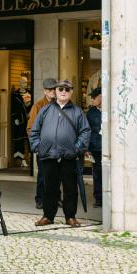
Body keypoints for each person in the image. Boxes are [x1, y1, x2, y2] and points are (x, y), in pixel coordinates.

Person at [30, 79, 90, 228]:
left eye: (67, 89)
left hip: (68, 156)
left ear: (71, 92)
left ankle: (70, 217)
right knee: (49, 188)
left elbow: (85, 131)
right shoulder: (45, 110)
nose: (63, 92)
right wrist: (38, 147)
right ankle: (48, 216)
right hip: (49, 155)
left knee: (70, 188)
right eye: (61, 89)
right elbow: (34, 130)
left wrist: (77, 148)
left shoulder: (77, 111)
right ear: (55, 91)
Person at [26, 78, 58, 206]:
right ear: (45, 91)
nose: (52, 92)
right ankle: (40, 199)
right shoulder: (38, 106)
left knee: (56, 175)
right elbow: (30, 128)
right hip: (43, 147)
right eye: (50, 90)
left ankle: (56, 198)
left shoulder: (60, 105)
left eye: (54, 89)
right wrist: (37, 146)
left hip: (58, 146)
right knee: (43, 175)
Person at [86, 87, 102, 208]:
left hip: (111, 149)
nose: (91, 100)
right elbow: (86, 131)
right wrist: (87, 148)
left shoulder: (112, 110)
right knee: (97, 174)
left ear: (101, 97)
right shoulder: (90, 112)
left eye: (94, 97)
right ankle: (99, 198)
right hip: (95, 148)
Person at [10, 76, 31, 166]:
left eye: (26, 82)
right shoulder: (15, 95)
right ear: (20, 83)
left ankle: (30, 158)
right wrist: (15, 118)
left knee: (29, 139)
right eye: (23, 82)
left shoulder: (30, 93)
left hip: (29, 120)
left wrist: (30, 112)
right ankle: (21, 159)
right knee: (20, 140)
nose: (25, 84)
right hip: (20, 120)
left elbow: (32, 106)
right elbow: (13, 108)